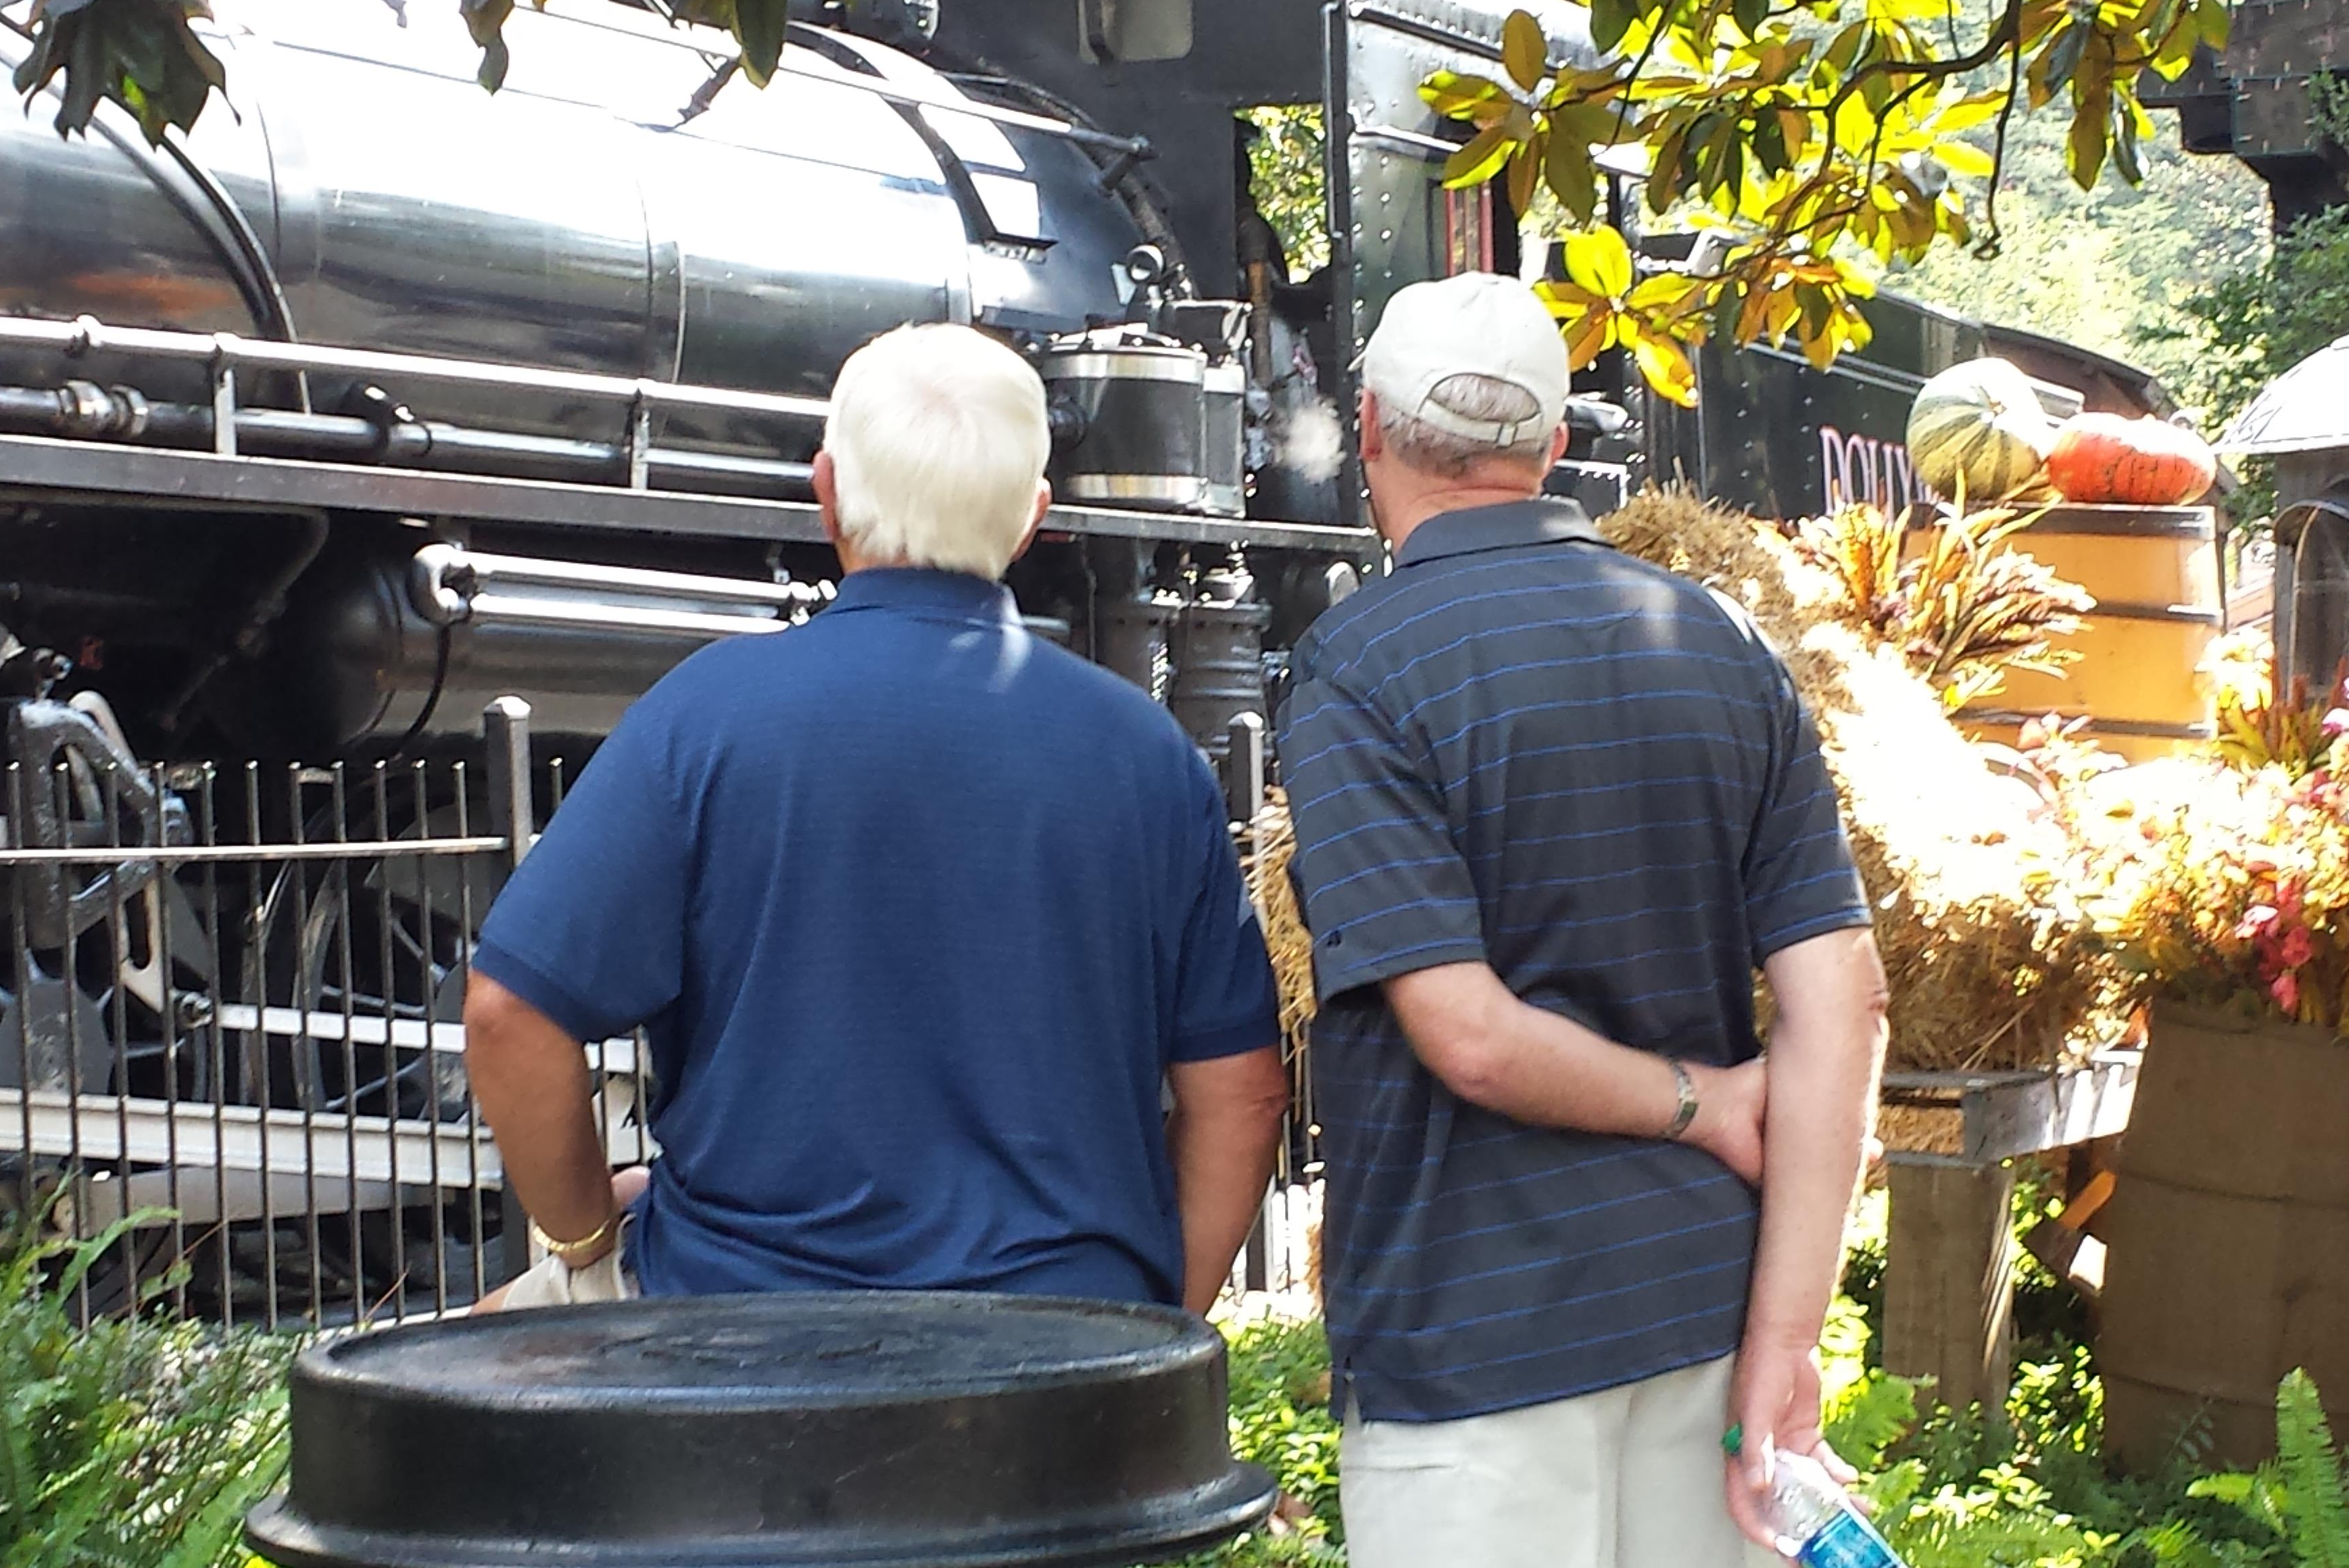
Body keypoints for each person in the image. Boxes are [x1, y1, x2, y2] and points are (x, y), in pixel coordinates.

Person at [463, 322, 1290, 1317]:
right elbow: (1242, 1097)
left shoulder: (704, 716)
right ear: (1034, 520)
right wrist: (1147, 1333)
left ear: (827, 491)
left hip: (737, 1330)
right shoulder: (1150, 754)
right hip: (1067, 1339)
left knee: (460, 1380)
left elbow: (509, 1014)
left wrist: (592, 1239)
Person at [1278, 272, 1888, 1568]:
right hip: (1700, 1314)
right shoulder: (1724, 641)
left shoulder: (1360, 668)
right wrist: (1785, 1342)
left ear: (1370, 433)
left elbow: (1475, 1038)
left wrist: (1703, 1101)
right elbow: (1847, 999)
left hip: (1470, 1338)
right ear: (1556, 447)